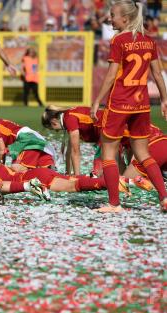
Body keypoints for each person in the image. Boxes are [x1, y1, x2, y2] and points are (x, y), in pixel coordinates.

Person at [90, 1, 167, 213]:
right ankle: (164, 197)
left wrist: (97, 100)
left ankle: (114, 204)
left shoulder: (119, 41)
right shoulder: (149, 41)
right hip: (141, 105)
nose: (109, 19)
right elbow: (158, 74)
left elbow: (111, 76)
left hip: (119, 104)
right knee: (143, 153)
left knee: (108, 154)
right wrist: (164, 99)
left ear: (125, 18)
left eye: (112, 15)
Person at [0, 138, 131, 196]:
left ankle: (112, 184)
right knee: (76, 179)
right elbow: (19, 169)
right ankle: (127, 181)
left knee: (73, 186)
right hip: (38, 171)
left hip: (33, 179)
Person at [0, 103, 56, 172]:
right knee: (46, 174)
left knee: (15, 170)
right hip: (32, 140)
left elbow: (2, 151)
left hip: (26, 141)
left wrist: (0, 171)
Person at [42, 105, 102, 176]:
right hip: (107, 129)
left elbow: (75, 151)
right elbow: (69, 152)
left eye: (52, 129)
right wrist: (68, 174)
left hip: (108, 128)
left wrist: (77, 177)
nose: (56, 131)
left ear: (53, 122)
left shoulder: (69, 119)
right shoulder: (67, 116)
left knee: (98, 172)